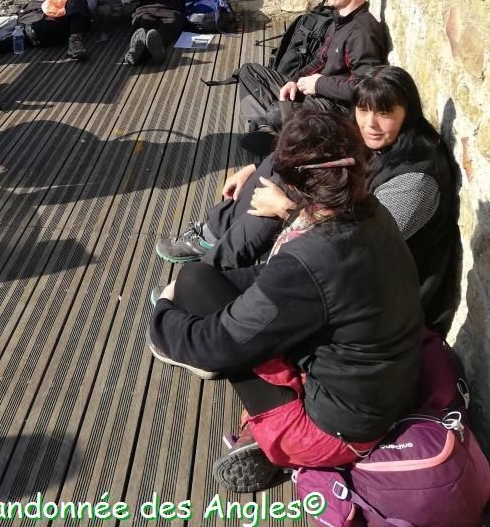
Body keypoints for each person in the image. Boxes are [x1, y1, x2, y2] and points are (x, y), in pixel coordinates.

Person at [149, 109, 422, 492]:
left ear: (292, 184)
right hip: (390, 389)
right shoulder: (371, 213)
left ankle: (277, 442)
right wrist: (224, 285)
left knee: (199, 295)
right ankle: (269, 432)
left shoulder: (309, 255)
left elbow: (216, 346)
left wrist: (163, 314)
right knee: (201, 280)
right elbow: (296, 284)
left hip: (339, 431)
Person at [157, 66, 458, 336]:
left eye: (385, 113)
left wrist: (288, 211)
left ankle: (200, 285)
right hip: (343, 256)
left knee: (280, 198)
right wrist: (253, 169)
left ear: (408, 113)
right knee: (281, 170)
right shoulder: (383, 144)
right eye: (363, 110)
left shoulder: (416, 180)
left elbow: (358, 246)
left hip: (378, 294)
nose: (370, 124)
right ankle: (206, 278)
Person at [235, 0, 388, 155]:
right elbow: (320, 60)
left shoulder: (363, 32)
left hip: (335, 108)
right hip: (315, 93)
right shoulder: (341, 20)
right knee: (249, 73)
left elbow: (364, 89)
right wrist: (294, 80)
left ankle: (273, 136)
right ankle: (268, 130)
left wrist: (318, 84)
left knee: (277, 113)